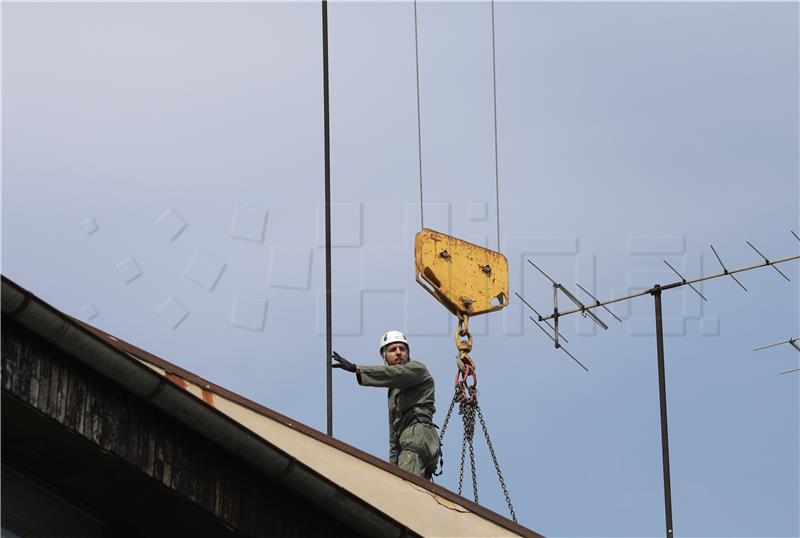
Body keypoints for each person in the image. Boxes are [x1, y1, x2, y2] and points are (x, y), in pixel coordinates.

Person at [332, 330, 440, 479]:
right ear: (384, 356)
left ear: (408, 353)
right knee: (414, 487)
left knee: (409, 486)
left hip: (418, 435)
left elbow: (395, 374)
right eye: (392, 350)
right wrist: (392, 472)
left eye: (402, 349)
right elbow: (393, 435)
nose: (398, 352)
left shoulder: (417, 370)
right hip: (408, 439)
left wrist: (357, 369)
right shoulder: (393, 391)